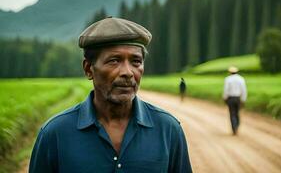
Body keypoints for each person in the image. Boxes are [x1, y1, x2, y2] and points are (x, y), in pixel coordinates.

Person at [29, 17, 192, 173]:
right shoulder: (55, 134)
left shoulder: (168, 129)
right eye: (114, 60)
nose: (128, 72)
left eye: (136, 61)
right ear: (88, 69)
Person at [223, 66, 247, 135]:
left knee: (232, 113)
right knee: (237, 113)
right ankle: (237, 126)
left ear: (230, 72)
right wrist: (243, 99)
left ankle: (234, 128)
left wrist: (225, 98)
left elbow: (226, 90)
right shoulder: (241, 79)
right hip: (238, 98)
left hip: (231, 98)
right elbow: (244, 90)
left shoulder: (228, 79)